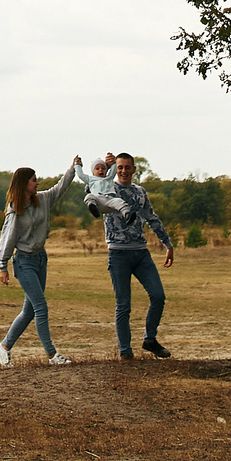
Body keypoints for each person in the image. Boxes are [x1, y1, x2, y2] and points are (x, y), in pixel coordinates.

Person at [0, 156, 84, 367]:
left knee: (30, 310)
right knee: (41, 307)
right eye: (34, 180)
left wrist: (73, 168)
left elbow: (61, 187)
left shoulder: (43, 199)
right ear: (24, 184)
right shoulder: (15, 211)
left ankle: (3, 347)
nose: (37, 183)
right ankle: (52, 355)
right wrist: (2, 266)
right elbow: (8, 237)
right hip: (24, 263)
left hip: (41, 259)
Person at [85, 150, 173, 360]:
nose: (123, 171)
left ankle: (150, 340)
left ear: (134, 169)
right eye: (120, 167)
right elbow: (90, 186)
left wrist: (168, 244)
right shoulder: (107, 186)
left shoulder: (140, 192)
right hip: (118, 254)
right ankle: (125, 352)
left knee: (158, 296)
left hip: (141, 253)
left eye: (127, 167)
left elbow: (152, 218)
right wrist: (106, 167)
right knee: (123, 304)